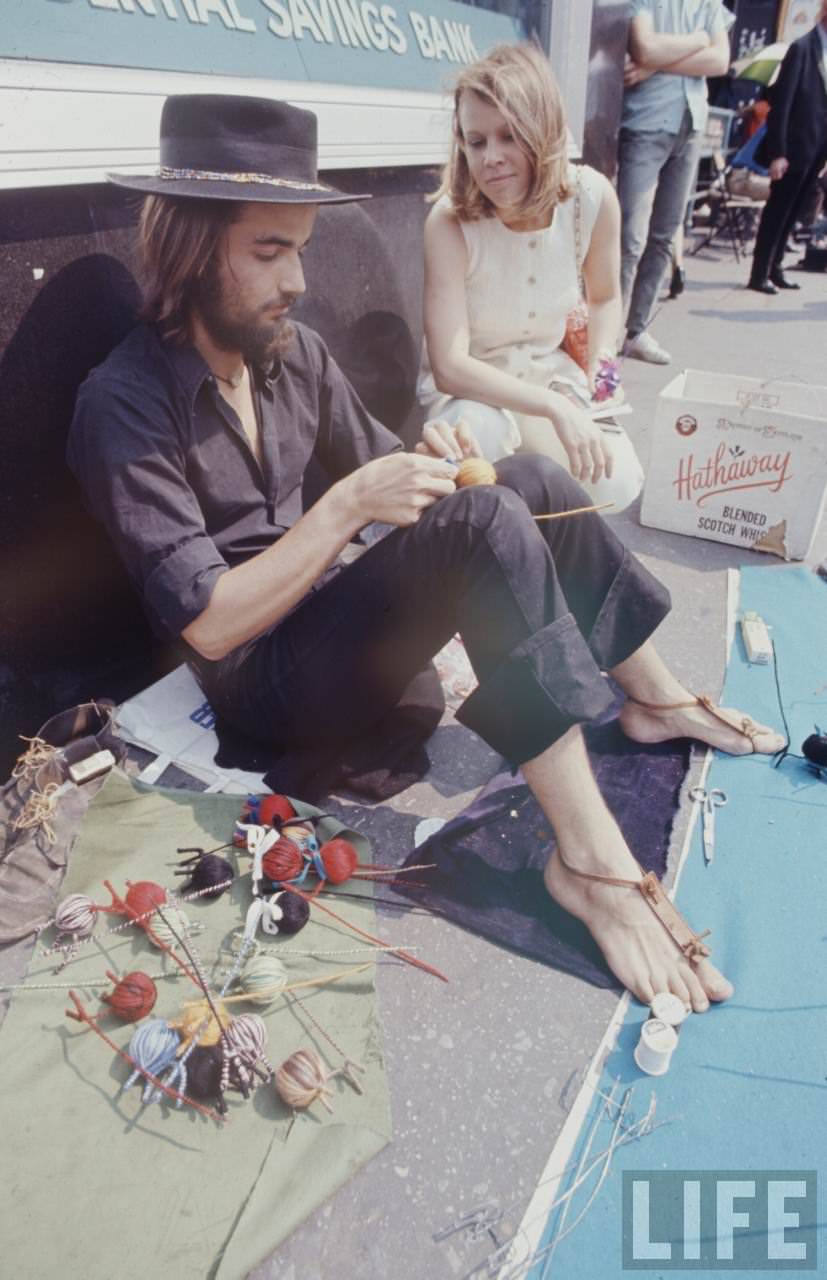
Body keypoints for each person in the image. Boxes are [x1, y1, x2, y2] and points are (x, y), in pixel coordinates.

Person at [68, 92, 784, 1014]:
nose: (295, 282)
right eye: (269, 252)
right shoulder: (121, 402)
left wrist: (438, 464)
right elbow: (208, 626)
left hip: (334, 625)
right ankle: (591, 865)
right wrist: (345, 510)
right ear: (191, 248)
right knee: (485, 523)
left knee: (521, 480)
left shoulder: (289, 353)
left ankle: (652, 699)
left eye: (302, 251)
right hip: (258, 681)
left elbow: (386, 468)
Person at [418, 43, 644, 512]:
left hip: (552, 380)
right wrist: (555, 408)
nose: (491, 157)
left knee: (617, 480)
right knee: (471, 458)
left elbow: (604, 298)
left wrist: (600, 374)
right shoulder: (449, 221)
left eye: (508, 135)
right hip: (474, 396)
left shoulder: (591, 198)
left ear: (542, 130)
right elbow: (450, 366)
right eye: (476, 142)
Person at [619, 0, 732, 364]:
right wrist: (699, 39)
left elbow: (720, 62)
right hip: (646, 122)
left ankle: (637, 330)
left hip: (691, 125)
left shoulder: (709, 4)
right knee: (628, 237)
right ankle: (605, 337)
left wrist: (654, 66)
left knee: (664, 234)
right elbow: (643, 47)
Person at [747, 1, 827, 293]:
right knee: (778, 210)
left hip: (817, 150)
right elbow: (782, 104)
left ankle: (776, 267)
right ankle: (759, 273)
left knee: (794, 212)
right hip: (793, 149)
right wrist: (778, 152)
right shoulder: (802, 48)